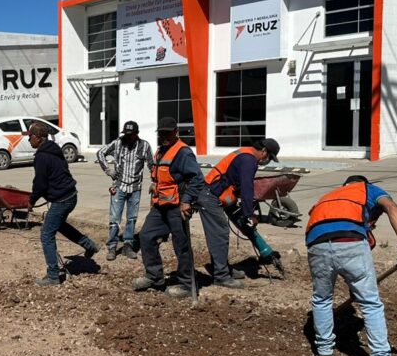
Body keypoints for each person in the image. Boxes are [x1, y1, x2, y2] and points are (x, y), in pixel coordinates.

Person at [305, 175, 397, 356]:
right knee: (371, 304)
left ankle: (324, 352)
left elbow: (327, 230)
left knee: (321, 299)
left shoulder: (328, 197)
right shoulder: (368, 189)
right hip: (350, 239)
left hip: (316, 243)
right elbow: (391, 207)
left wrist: (354, 287)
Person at [132, 117, 207, 298]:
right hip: (160, 206)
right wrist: (155, 184)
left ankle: (187, 285)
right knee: (146, 236)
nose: (164, 136)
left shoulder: (183, 153)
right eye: (161, 133)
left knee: (181, 245)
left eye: (168, 132)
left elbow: (198, 179)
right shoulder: (161, 151)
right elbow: (162, 174)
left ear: (175, 132)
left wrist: (187, 200)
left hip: (178, 206)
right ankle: (154, 276)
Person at [200, 138, 282, 281]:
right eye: (269, 157)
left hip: (219, 194)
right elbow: (246, 188)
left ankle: (222, 268)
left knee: (226, 230)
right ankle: (222, 276)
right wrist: (250, 214)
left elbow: (237, 182)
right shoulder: (248, 160)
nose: (267, 161)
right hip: (210, 196)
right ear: (263, 151)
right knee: (220, 233)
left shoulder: (245, 154)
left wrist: (246, 210)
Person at [28, 121, 99, 285]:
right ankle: (89, 245)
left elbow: (40, 183)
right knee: (59, 224)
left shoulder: (42, 156)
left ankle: (53, 276)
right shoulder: (54, 150)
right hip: (71, 195)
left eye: (30, 137)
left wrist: (31, 201)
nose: (29, 140)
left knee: (46, 235)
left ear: (39, 138)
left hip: (62, 199)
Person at [97, 121, 154, 261]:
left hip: (135, 188)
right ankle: (112, 246)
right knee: (115, 218)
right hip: (119, 186)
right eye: (125, 135)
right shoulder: (117, 143)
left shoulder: (144, 146)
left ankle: (128, 244)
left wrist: (154, 182)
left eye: (130, 135)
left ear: (136, 134)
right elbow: (100, 153)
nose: (127, 138)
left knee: (132, 218)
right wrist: (108, 170)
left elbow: (152, 164)